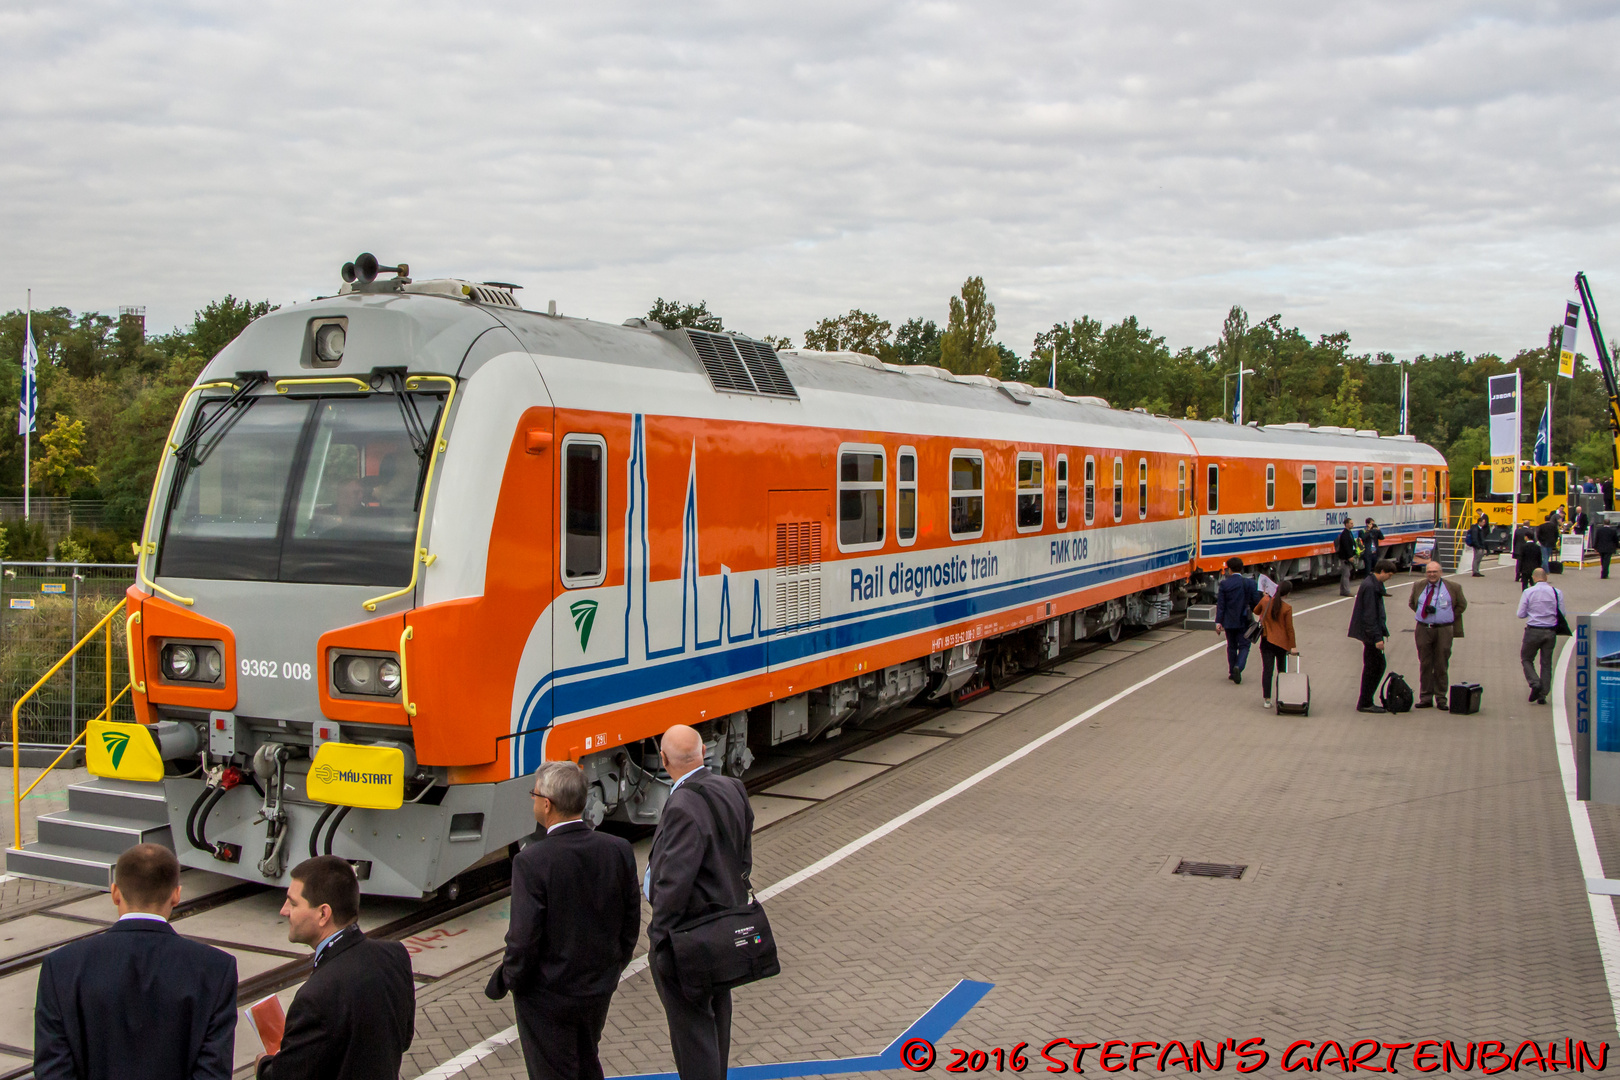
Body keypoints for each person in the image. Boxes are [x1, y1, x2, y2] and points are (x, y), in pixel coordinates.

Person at [489, 762, 641, 1080]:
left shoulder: (531, 862)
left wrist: (514, 979)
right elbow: (630, 922)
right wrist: (612, 969)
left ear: (547, 804)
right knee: (588, 1063)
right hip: (598, 988)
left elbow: (523, 938)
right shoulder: (618, 850)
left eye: (534, 795)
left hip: (546, 996)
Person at [35, 844, 236, 1080]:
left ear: (115, 893)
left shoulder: (61, 966)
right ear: (176, 895)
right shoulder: (215, 969)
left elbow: (53, 1071)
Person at [646, 724, 755, 1080]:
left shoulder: (681, 806)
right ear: (703, 751)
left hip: (689, 940)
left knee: (693, 1037)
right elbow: (743, 858)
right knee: (718, 1021)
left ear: (663, 760)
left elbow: (672, 885)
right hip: (725, 930)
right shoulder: (732, 788)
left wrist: (659, 939)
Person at [257, 856, 414, 1080]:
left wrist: (263, 1065)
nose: (284, 911)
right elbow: (403, 1039)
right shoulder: (395, 955)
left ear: (323, 914)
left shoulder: (315, 996)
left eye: (292, 903)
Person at [1408, 560, 1467, 710]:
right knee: (1425, 663)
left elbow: (1462, 604)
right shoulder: (1418, 586)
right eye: (1429, 572)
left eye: (1435, 572)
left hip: (1444, 629)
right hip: (1423, 629)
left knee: (1441, 664)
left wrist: (1447, 615)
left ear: (1440, 572)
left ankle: (1441, 698)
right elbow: (1412, 603)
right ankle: (1425, 697)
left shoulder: (1453, 587)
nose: (1432, 575)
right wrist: (1423, 614)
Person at [1349, 559, 1397, 713]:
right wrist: (1377, 638)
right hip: (1371, 635)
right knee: (1375, 667)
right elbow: (1370, 615)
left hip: (1369, 633)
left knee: (1374, 666)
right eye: (1389, 575)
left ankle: (1366, 700)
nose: (1389, 578)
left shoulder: (1370, 583)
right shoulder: (1370, 587)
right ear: (1382, 571)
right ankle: (1365, 701)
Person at [1517, 568, 1569, 705]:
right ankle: (1543, 694)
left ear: (1534, 578)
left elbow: (1520, 614)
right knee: (1546, 663)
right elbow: (1562, 613)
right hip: (1550, 631)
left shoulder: (1528, 592)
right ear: (1546, 577)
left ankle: (1535, 683)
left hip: (1533, 630)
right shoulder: (1557, 592)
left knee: (1526, 658)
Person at [1213, 556, 1261, 685]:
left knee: (1231, 646)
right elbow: (1256, 603)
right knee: (1245, 645)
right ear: (1242, 568)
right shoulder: (1250, 583)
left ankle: (1231, 671)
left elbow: (1221, 605)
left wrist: (1219, 622)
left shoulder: (1224, 584)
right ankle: (1238, 667)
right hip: (1245, 619)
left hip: (1229, 621)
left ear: (1229, 570)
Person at [1253, 578, 1297, 710]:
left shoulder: (1266, 601)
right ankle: (1281, 696)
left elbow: (1255, 611)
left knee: (1267, 670)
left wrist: (1264, 598)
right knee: (1282, 671)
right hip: (1282, 644)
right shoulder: (1287, 608)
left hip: (1266, 641)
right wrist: (1293, 646)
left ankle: (1267, 699)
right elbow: (1289, 628)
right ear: (1287, 594)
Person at [1335, 521, 1357, 595]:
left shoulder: (1348, 533)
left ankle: (1343, 591)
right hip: (1345, 557)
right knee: (1346, 574)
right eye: (1351, 523)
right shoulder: (1345, 534)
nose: (1352, 525)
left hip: (1346, 556)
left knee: (1345, 574)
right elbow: (1346, 546)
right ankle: (1346, 591)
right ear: (1346, 524)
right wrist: (1349, 556)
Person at [1465, 512, 1489, 577]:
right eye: (1483, 522)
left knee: (1479, 559)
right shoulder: (1476, 529)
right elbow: (1475, 538)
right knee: (1477, 559)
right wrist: (1479, 546)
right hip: (1478, 546)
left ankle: (1477, 571)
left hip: (1480, 546)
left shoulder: (1480, 529)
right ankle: (1475, 571)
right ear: (1479, 522)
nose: (1484, 523)